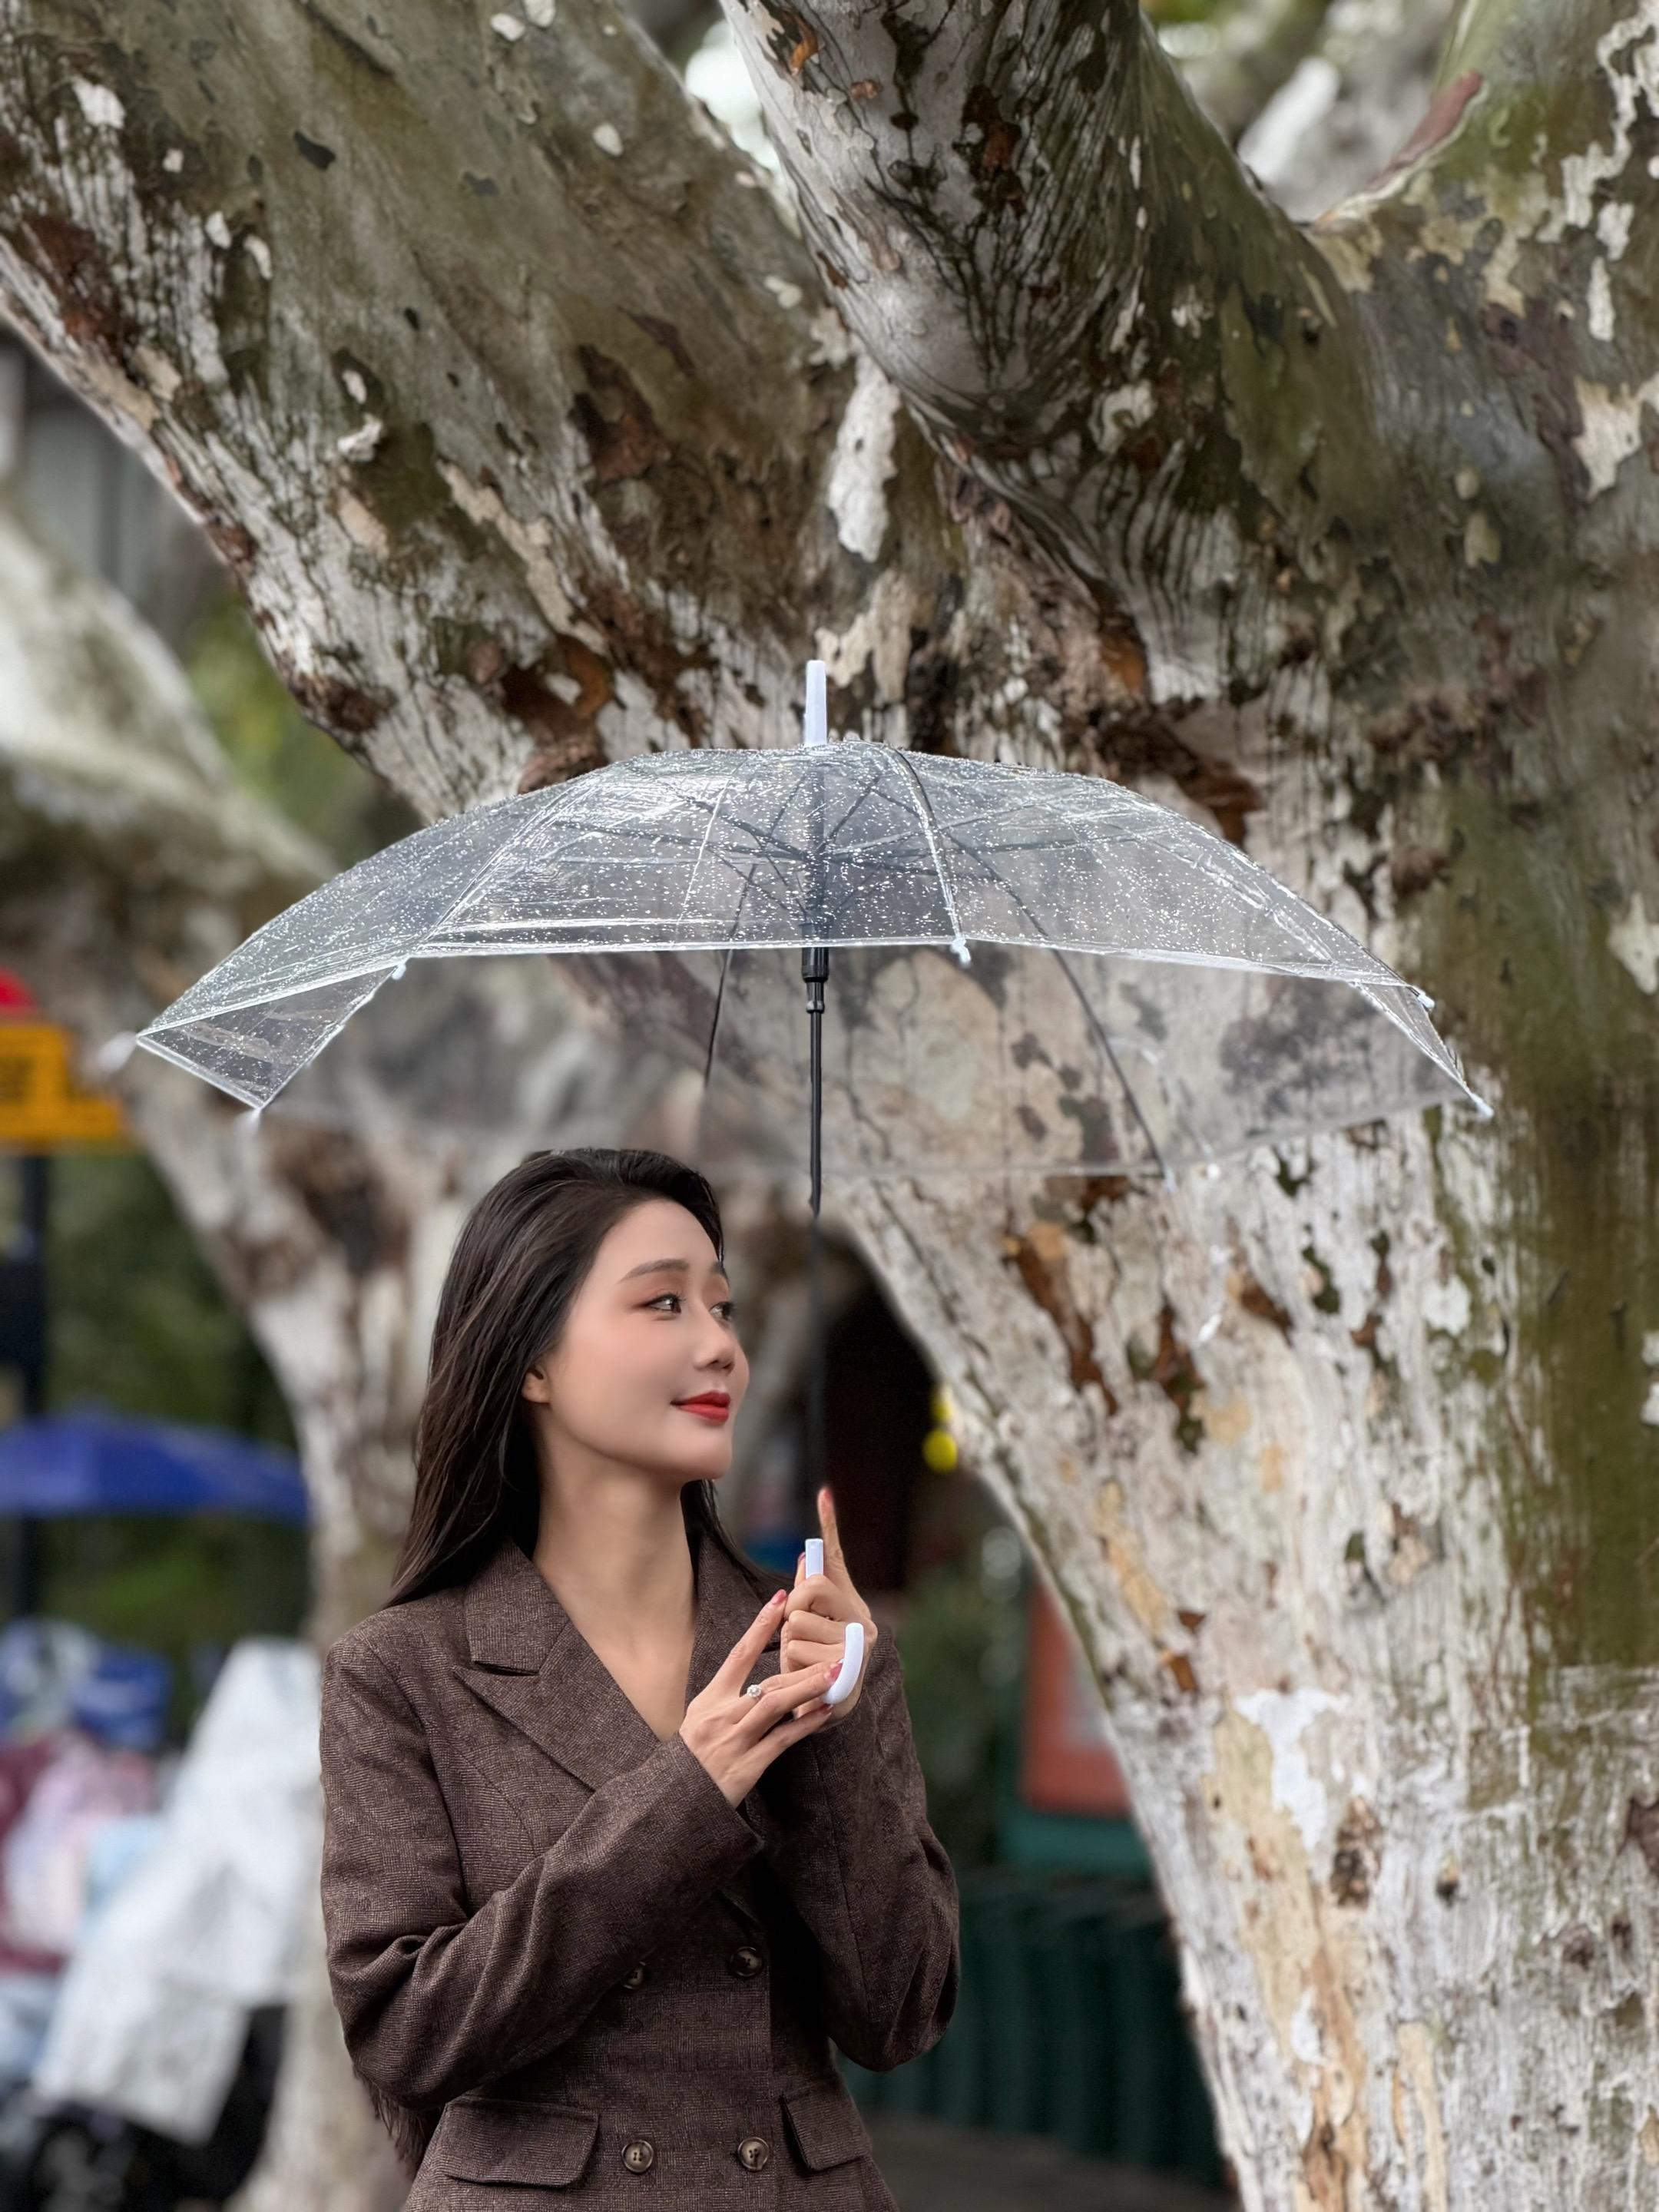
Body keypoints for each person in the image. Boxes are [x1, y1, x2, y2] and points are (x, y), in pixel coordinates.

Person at [318, 1145, 960, 2207]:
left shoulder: (815, 1643)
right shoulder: (402, 1674)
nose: (718, 1346)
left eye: (725, 1307)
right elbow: (407, 2033)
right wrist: (684, 1799)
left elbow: (900, 2017)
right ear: (532, 1361)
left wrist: (839, 1723)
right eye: (663, 1305)